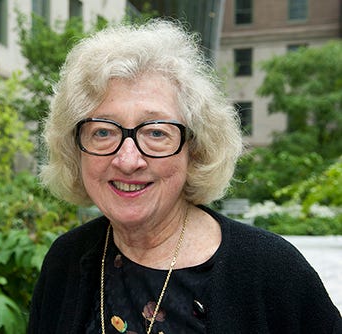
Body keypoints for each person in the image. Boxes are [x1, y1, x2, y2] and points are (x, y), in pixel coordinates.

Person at [28, 19, 342, 334]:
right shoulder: (66, 260)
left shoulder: (272, 271)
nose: (127, 159)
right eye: (103, 131)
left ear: (194, 148)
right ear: (76, 147)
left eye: (155, 132)